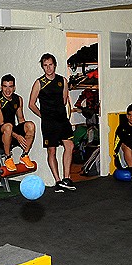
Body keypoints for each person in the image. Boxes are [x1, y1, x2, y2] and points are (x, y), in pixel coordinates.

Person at [29, 53, 76, 192]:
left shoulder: (63, 80)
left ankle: (66, 178)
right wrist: (44, 116)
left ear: (54, 65)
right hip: (49, 123)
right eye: (45, 65)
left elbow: (64, 99)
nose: (48, 68)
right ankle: (58, 180)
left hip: (62, 120)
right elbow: (31, 104)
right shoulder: (39, 83)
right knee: (52, 150)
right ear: (42, 67)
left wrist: (60, 113)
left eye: (50, 65)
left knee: (70, 145)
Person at [0, 74, 36, 172]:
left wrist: (25, 132)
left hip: (11, 129)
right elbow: (1, 123)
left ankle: (25, 155)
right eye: (5, 86)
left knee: (30, 125)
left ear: (14, 88)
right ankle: (8, 157)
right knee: (8, 126)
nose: (7, 90)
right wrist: (17, 136)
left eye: (10, 86)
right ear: (1, 87)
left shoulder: (18, 99)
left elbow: (21, 119)